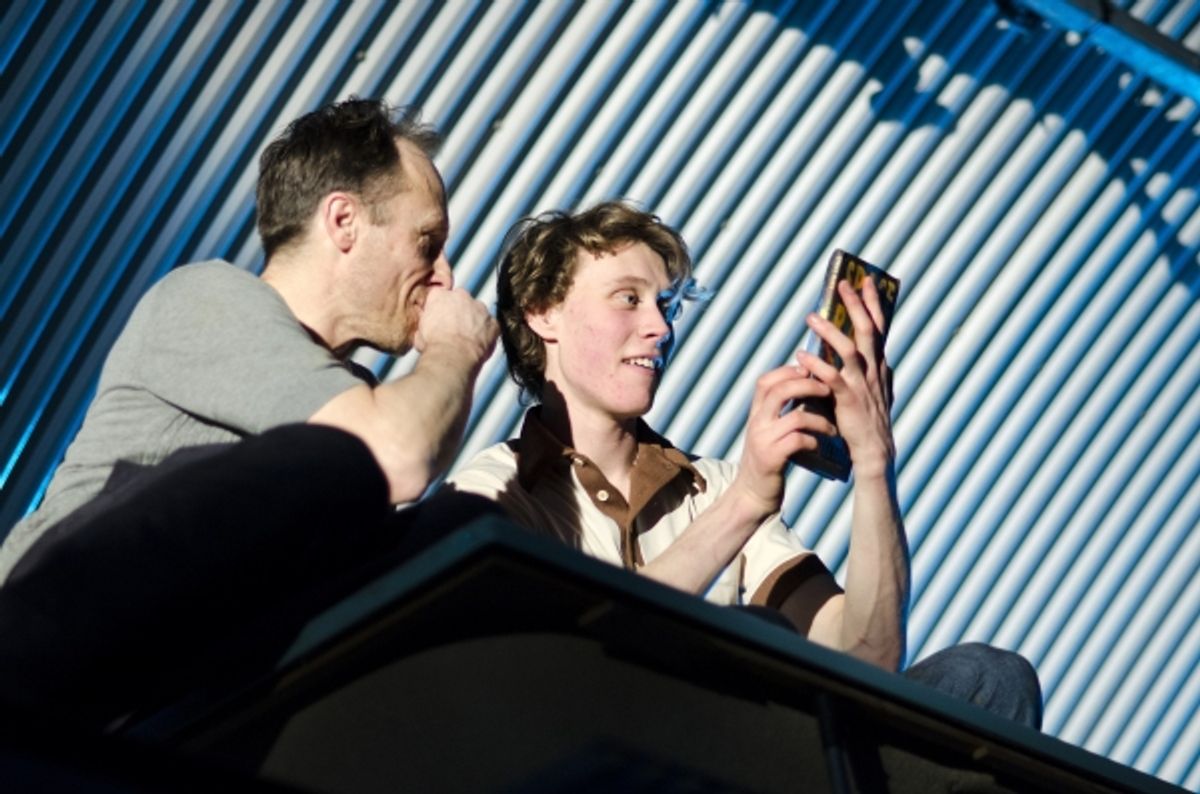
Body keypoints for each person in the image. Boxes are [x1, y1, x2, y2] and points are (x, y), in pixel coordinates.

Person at [445, 201, 1042, 727]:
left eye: (665, 305)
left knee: (988, 678)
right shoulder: (496, 492)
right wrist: (746, 504)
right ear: (543, 313)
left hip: (759, 760)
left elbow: (868, 658)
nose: (660, 327)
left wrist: (873, 463)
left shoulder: (713, 487)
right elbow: (567, 671)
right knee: (759, 639)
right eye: (629, 299)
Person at [0, 98, 500, 725]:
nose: (444, 277)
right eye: (427, 243)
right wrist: (455, 349)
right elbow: (394, 454)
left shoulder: (353, 393)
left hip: (162, 700)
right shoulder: (209, 298)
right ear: (343, 221)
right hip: (42, 671)